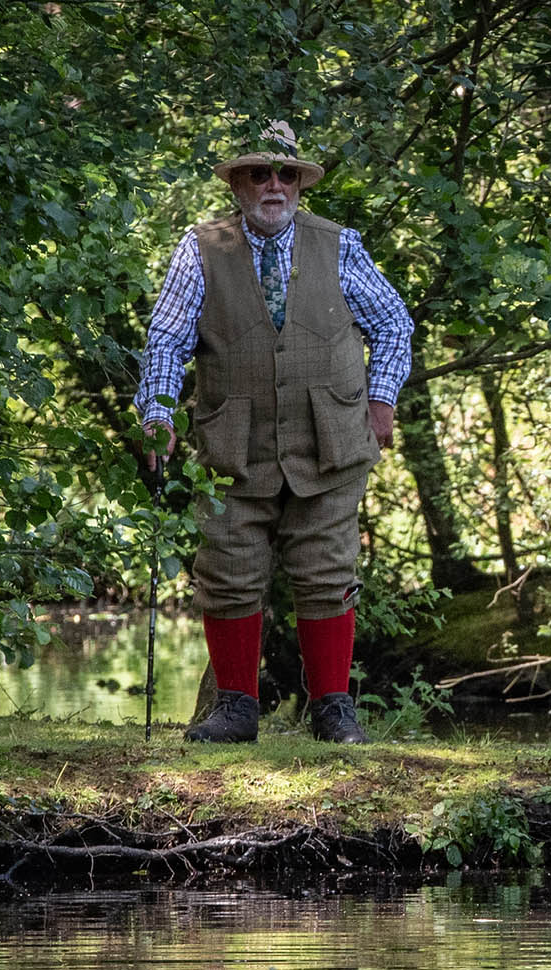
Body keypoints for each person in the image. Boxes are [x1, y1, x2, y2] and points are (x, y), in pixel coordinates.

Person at [137, 119, 415, 745]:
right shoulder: (201, 246)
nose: (274, 185)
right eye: (259, 174)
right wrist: (157, 414)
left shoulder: (339, 244)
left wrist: (381, 399)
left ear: (299, 184)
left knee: (327, 569)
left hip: (332, 438)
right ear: (238, 183)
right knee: (229, 567)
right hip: (233, 444)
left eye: (285, 174)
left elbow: (394, 324)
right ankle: (236, 709)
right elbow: (167, 338)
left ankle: (334, 712)